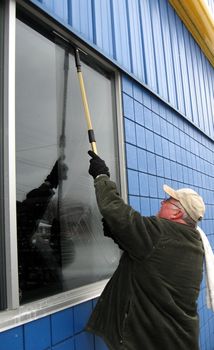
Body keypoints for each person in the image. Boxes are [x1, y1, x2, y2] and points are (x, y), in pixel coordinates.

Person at [86, 150, 206, 350]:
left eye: (167, 201)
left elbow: (118, 213)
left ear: (177, 213)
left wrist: (101, 176)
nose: (162, 202)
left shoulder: (161, 232)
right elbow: (152, 262)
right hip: (178, 340)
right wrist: (121, 237)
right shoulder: (192, 242)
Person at [17, 160, 68, 302]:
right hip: (36, 294)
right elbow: (27, 214)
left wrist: (57, 240)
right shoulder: (20, 238)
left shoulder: (32, 241)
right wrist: (49, 183)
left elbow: (28, 212)